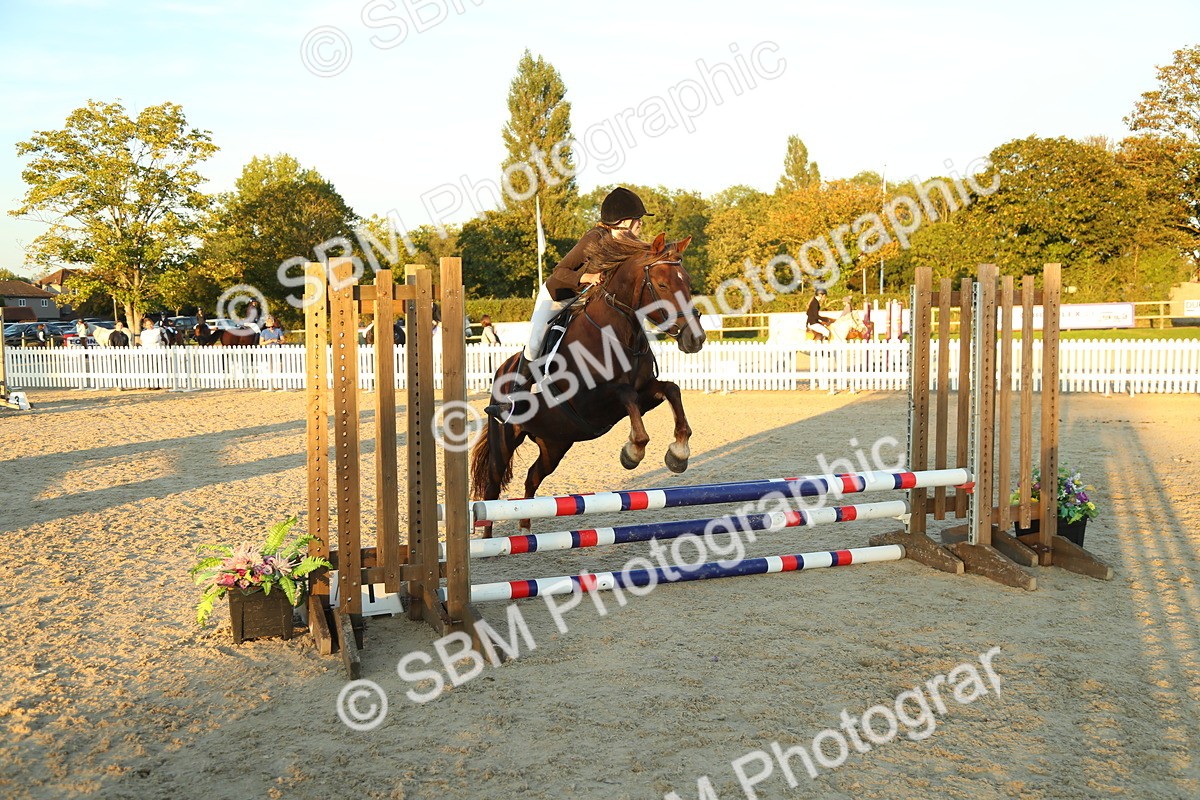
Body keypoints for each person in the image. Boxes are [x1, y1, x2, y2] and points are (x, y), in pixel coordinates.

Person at [485, 186, 652, 417]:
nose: (640, 224)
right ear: (623, 221)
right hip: (558, 296)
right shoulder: (595, 238)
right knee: (535, 342)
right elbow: (560, 271)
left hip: (585, 299)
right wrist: (587, 277)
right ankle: (514, 400)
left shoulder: (627, 244)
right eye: (637, 219)